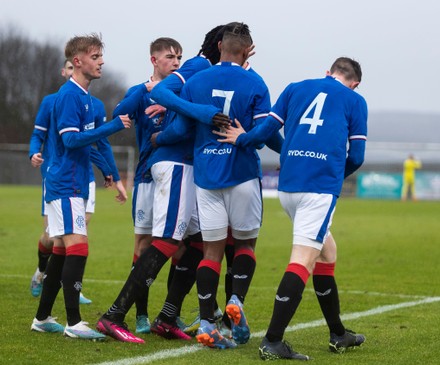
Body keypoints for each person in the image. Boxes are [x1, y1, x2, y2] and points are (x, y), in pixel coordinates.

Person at [215, 57, 368, 360]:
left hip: (288, 187)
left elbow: (265, 130)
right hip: (317, 190)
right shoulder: (355, 99)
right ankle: (272, 340)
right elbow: (358, 156)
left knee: (327, 252)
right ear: (355, 83)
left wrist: (243, 138)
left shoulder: (295, 87)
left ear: (328, 72)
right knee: (301, 260)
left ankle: (338, 334)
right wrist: (334, 175)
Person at [95, 23, 232, 344]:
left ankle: (168, 315)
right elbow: (162, 97)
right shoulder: (199, 66)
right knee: (166, 241)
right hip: (174, 165)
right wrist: (201, 113)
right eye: (244, 49)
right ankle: (114, 316)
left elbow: (174, 106)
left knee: (200, 241)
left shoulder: (208, 71)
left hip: (186, 166)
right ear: (224, 46)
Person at [152, 23, 278, 350]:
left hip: (206, 175)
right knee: (246, 247)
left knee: (211, 251)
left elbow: (180, 126)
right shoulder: (254, 82)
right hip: (241, 173)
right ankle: (236, 299)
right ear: (248, 50)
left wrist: (159, 138)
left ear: (219, 46)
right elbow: (265, 132)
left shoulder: (196, 80)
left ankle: (207, 322)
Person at [30, 33, 131, 340]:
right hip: (65, 183)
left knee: (61, 250)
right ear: (78, 61)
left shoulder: (87, 99)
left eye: (101, 56)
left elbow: (98, 144)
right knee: (78, 247)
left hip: (76, 183)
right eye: (96, 56)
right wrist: (114, 125)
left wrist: (112, 176)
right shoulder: (68, 96)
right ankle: (74, 323)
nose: (101, 62)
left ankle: (43, 318)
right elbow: (70, 139)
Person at [110, 37, 183, 335]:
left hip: (174, 174)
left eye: (179, 57)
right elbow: (119, 112)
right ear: (154, 60)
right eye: (169, 57)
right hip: (146, 178)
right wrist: (147, 90)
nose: (176, 62)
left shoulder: (180, 89)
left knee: (177, 248)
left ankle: (170, 312)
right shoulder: (141, 92)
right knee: (143, 244)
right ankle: (140, 312)